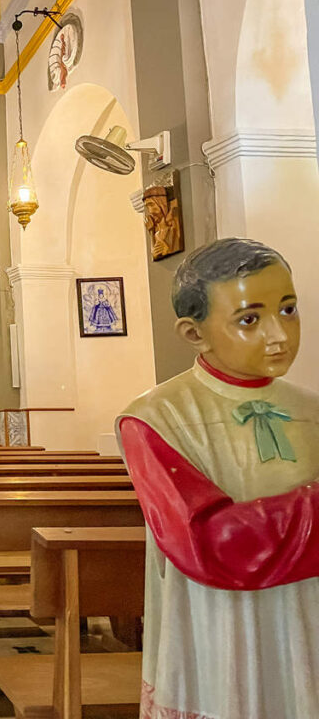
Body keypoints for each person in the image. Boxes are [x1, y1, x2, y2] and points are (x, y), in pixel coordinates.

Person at [115, 237, 319, 719]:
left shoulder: (311, 409)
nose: (280, 335)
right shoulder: (152, 418)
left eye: (288, 310)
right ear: (193, 334)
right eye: (250, 319)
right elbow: (210, 544)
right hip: (218, 632)